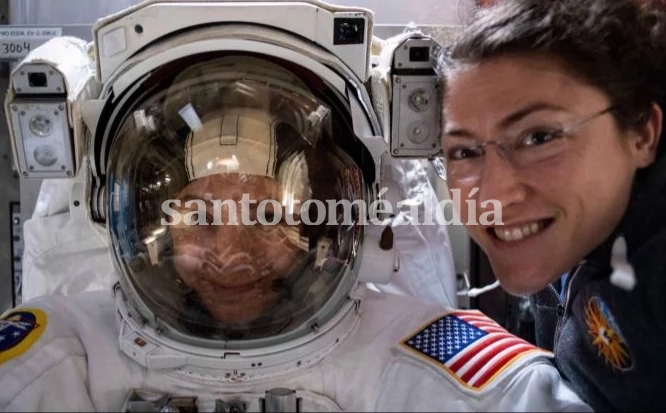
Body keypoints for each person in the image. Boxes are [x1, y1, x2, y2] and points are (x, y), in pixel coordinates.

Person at [0, 50, 591, 412]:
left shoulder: (406, 352)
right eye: (200, 218)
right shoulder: (74, 348)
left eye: (264, 216)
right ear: (147, 228)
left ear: (323, 229)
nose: (231, 256)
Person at [438, 0, 666, 410]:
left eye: (540, 138)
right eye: (465, 151)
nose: (492, 196)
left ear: (642, 135)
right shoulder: (572, 234)